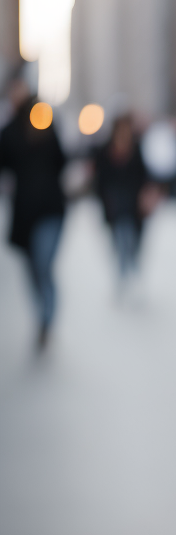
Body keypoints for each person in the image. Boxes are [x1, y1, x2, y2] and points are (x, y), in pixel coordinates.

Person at [0, 77, 67, 350]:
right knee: (32, 270)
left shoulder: (42, 118)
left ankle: (47, 318)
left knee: (43, 264)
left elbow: (60, 158)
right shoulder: (8, 130)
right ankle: (41, 314)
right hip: (24, 213)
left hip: (49, 208)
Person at [93, 114, 152, 287]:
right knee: (120, 241)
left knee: (134, 242)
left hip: (134, 206)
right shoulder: (105, 151)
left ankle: (131, 273)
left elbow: (144, 175)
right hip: (115, 206)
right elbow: (100, 180)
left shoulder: (136, 148)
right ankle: (123, 277)